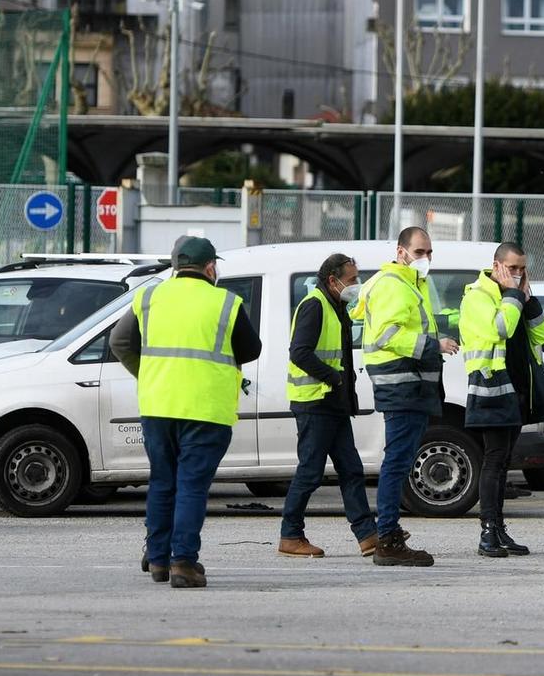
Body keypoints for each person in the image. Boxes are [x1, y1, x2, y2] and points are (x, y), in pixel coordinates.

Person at [110, 235, 261, 589]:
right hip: (206, 409)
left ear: (177, 266)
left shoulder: (148, 296)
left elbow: (119, 342)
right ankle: (184, 562)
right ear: (210, 267)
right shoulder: (225, 302)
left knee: (163, 481)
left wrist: (148, 374)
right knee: (192, 485)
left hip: (157, 405)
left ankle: (159, 560)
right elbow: (251, 349)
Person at [353, 226, 458, 568]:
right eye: (419, 252)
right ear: (400, 252)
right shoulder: (394, 285)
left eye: (429, 252)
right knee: (397, 461)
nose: (426, 258)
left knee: (399, 459)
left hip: (412, 386)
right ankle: (387, 538)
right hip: (402, 386)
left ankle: (388, 534)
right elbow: (388, 335)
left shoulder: (411, 284)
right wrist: (433, 345)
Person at [278, 252, 380, 559]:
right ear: (332, 280)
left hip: (333, 403)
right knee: (310, 472)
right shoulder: (315, 305)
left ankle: (368, 536)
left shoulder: (337, 305)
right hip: (315, 402)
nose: (356, 285)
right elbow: (300, 352)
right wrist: (333, 378)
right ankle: (290, 535)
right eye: (352, 280)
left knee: (351, 469)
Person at [459, 241, 544, 558]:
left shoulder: (516, 297)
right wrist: (513, 296)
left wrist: (529, 300)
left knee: (503, 465)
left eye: (522, 269)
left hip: (517, 391)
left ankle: (499, 530)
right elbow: (501, 327)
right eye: (512, 268)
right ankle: (487, 533)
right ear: (496, 266)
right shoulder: (478, 296)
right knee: (494, 461)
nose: (518, 274)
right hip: (491, 388)